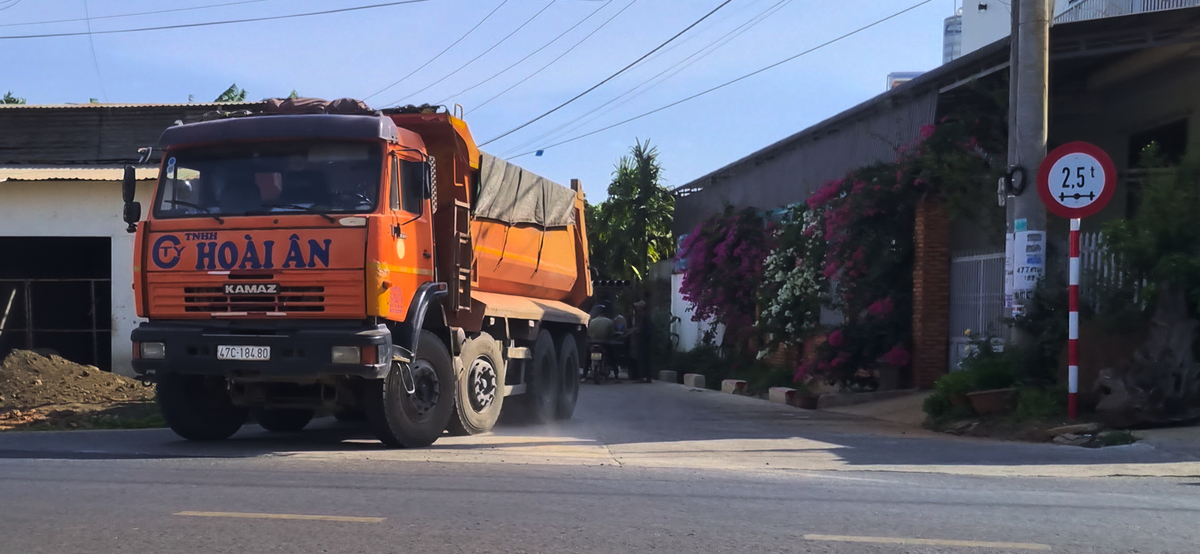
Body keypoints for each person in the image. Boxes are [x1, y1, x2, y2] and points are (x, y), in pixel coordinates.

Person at [630, 298, 655, 383]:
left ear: (641, 308)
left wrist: (644, 336)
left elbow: (649, 328)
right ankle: (646, 377)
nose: (637, 308)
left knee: (642, 359)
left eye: (638, 307)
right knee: (644, 359)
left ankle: (642, 377)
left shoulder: (644, 317)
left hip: (642, 341)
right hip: (641, 340)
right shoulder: (640, 316)